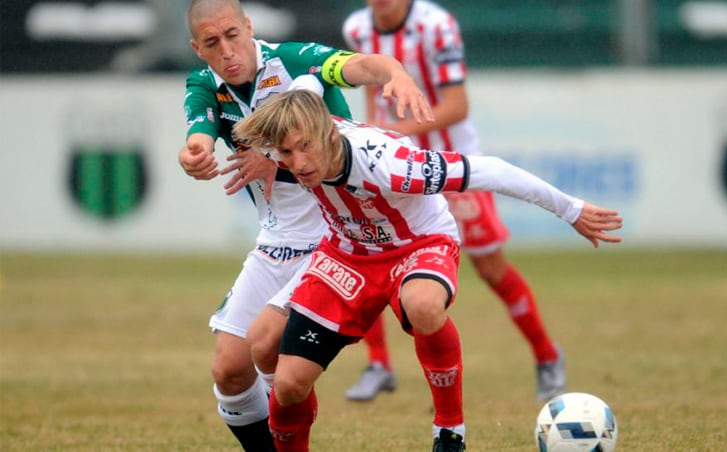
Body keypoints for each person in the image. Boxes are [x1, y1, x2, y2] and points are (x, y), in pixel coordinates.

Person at [235, 89, 623, 451]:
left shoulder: (391, 164)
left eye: (305, 147)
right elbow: (303, 88)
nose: (299, 163)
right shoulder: (294, 140)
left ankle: (449, 428)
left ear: (327, 132)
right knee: (280, 372)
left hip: (418, 244)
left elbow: (491, 170)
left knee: (423, 305)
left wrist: (570, 209)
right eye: (287, 152)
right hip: (347, 252)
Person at [179, 0, 433, 450]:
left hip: (334, 236)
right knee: (229, 369)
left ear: (248, 27)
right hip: (275, 241)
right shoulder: (203, 84)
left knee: (273, 349)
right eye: (213, 44)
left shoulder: (294, 61)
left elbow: (358, 65)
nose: (228, 51)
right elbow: (198, 133)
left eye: (233, 36)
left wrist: (395, 73)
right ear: (198, 48)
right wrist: (194, 154)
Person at [342, 0, 568, 402]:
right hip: (391, 169)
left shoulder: (436, 25)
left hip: (450, 167)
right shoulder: (357, 28)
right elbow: (372, 101)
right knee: (366, 251)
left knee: (491, 267)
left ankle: (547, 356)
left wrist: (392, 132)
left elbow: (456, 106)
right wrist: (373, 138)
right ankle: (379, 363)